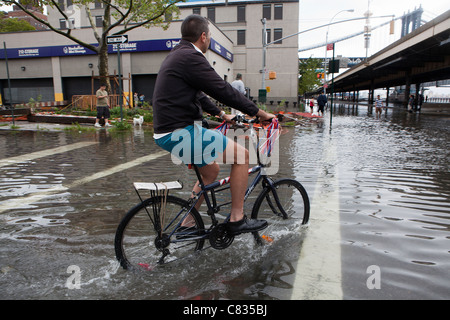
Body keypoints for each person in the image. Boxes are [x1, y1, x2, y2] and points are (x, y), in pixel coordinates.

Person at [152, 14, 275, 235]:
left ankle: (187, 224)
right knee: (243, 156)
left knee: (211, 171)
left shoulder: (178, 55)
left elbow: (197, 94)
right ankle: (237, 219)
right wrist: (259, 113)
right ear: (203, 36)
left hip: (167, 133)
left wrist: (220, 114)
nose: (208, 41)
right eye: (209, 37)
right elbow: (221, 89)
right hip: (181, 132)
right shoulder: (191, 57)